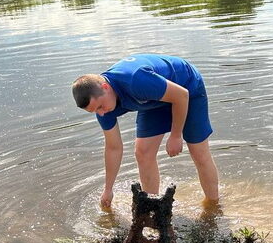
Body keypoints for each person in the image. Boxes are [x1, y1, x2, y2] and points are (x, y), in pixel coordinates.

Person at [72, 54, 219, 209]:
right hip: (153, 99)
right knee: (143, 153)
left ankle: (214, 207)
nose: (101, 113)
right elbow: (113, 148)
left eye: (100, 107)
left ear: (105, 87)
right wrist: (108, 189)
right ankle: (153, 207)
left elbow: (181, 95)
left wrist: (176, 135)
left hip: (186, 88)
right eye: (94, 111)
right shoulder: (102, 109)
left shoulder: (136, 80)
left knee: (198, 152)